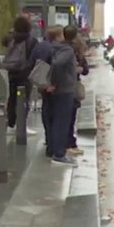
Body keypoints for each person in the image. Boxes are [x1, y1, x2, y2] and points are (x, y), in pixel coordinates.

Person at [45, 28, 79, 165]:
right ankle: (59, 154)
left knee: (56, 121)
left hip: (60, 89)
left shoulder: (55, 48)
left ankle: (55, 150)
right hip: (64, 90)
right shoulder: (67, 50)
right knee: (62, 122)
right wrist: (55, 83)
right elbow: (57, 64)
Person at [3, 15, 39, 133]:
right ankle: (22, 125)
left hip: (12, 72)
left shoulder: (11, 38)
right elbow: (34, 56)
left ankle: (11, 124)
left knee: (12, 98)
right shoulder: (31, 40)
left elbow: (3, 41)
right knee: (24, 99)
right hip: (25, 74)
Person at [31, 26, 63, 156]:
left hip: (42, 84)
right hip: (52, 84)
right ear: (57, 36)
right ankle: (52, 144)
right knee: (55, 115)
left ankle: (48, 139)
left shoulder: (39, 46)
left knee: (46, 111)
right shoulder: (55, 49)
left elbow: (32, 62)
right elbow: (56, 67)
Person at [64, 24, 89, 155]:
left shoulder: (60, 47)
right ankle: (69, 143)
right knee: (70, 116)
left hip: (61, 85)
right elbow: (85, 70)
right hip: (71, 86)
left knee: (65, 116)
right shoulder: (76, 49)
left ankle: (67, 142)